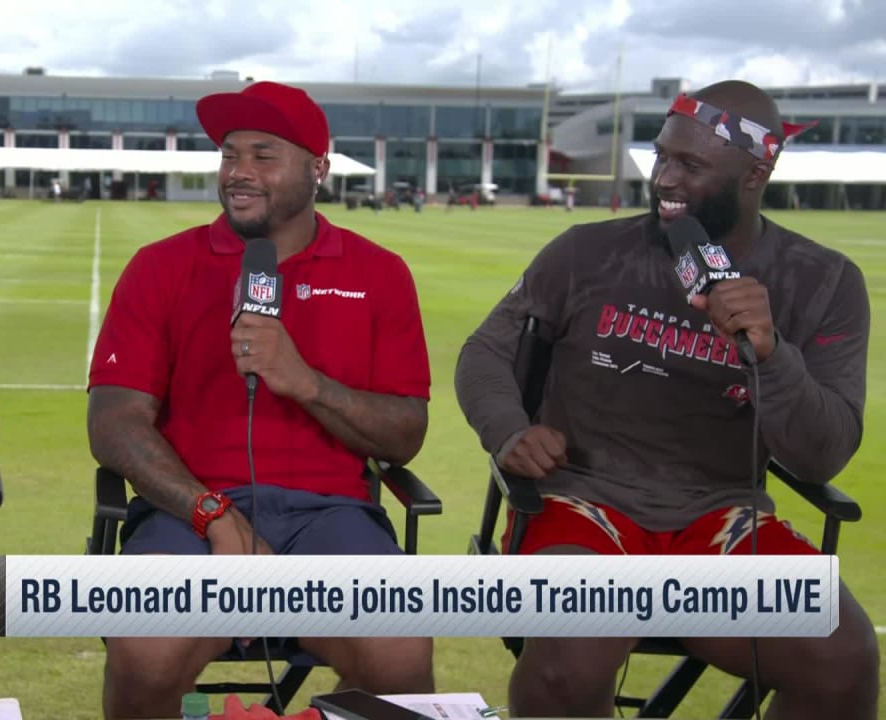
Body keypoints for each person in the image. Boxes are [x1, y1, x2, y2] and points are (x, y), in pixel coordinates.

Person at [455, 79, 877, 718]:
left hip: (723, 520)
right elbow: (485, 352)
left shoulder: (824, 281)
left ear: (757, 172)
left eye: (691, 165)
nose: (664, 179)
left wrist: (772, 354)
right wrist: (508, 429)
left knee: (844, 658)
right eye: (661, 156)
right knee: (571, 656)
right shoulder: (585, 251)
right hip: (583, 504)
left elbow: (824, 456)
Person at [87, 80, 434, 719]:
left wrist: (305, 382)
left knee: (400, 655)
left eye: (263, 155)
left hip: (332, 519)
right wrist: (213, 514)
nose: (238, 173)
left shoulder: (379, 273)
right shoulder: (160, 267)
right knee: (143, 650)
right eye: (229, 154)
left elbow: (405, 432)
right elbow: (113, 424)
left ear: (318, 169)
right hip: (186, 515)